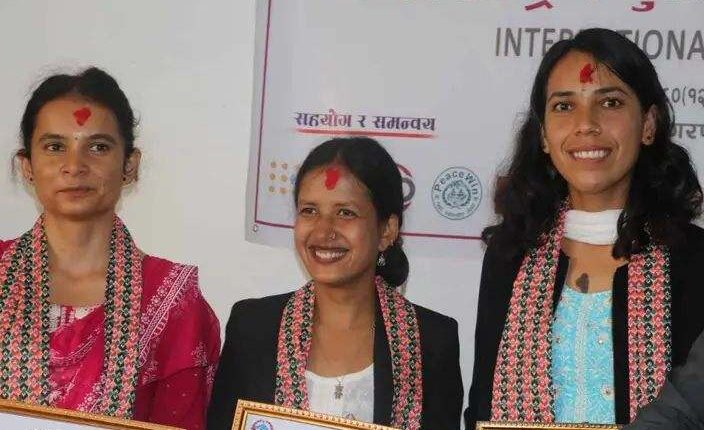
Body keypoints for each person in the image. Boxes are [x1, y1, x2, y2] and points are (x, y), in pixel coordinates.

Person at [464, 28, 704, 429]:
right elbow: (482, 411)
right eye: (564, 106)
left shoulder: (694, 259)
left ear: (648, 124)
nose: (586, 125)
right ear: (544, 135)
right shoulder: (511, 253)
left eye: (610, 103)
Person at [0, 67, 220, 429]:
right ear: (27, 166)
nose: (74, 166)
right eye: (55, 147)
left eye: (98, 147)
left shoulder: (172, 300)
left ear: (129, 165)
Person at [207, 137, 463, 430]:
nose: (323, 230)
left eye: (345, 213)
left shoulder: (432, 340)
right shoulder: (253, 328)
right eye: (309, 211)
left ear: (386, 230)